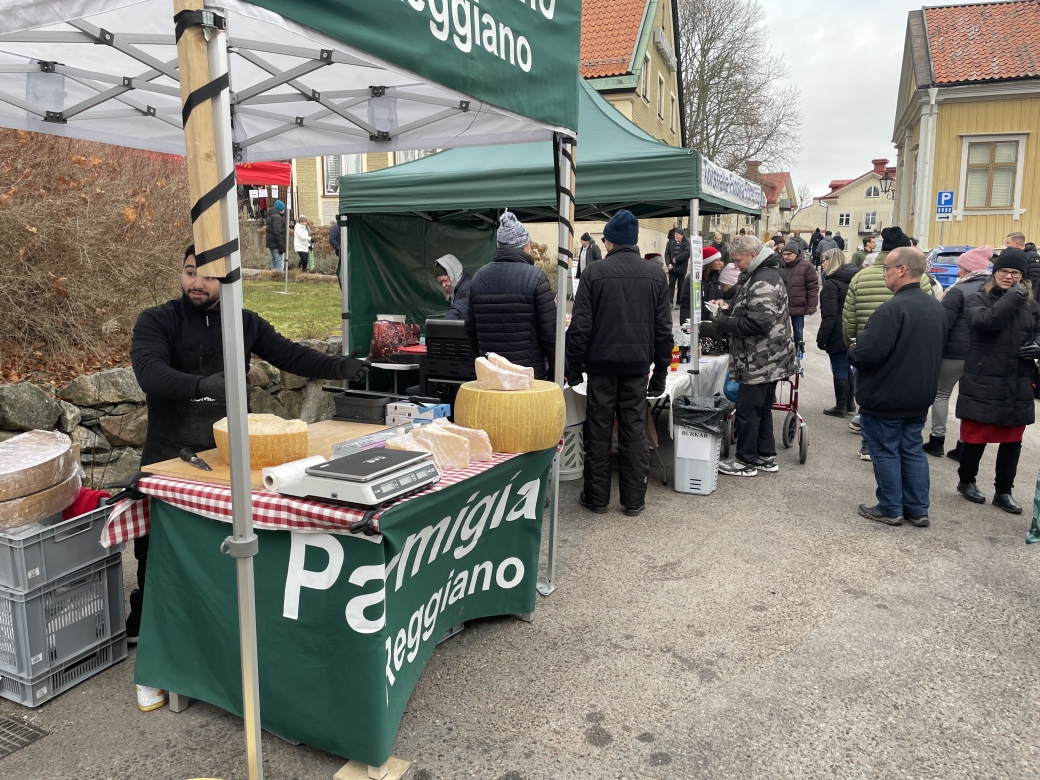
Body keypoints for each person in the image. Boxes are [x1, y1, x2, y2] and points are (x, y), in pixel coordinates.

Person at [128, 245, 370, 705]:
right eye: (188, 273)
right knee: (158, 554)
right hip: (170, 453)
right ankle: (156, 659)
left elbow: (292, 357)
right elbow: (150, 373)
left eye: (207, 275)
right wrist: (202, 385)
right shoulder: (156, 320)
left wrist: (340, 366)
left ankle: (217, 649)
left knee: (219, 553)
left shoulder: (244, 321)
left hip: (229, 455)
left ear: (230, 280)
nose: (195, 282)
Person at [566, 209, 672, 516]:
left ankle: (597, 498)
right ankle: (634, 500)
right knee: (633, 430)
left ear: (609, 240)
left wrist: (573, 369)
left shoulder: (594, 273)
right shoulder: (654, 274)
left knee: (598, 431)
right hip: (637, 366)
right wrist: (660, 373)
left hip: (601, 365)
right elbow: (664, 330)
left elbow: (580, 327)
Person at [848, 246, 947, 526]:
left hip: (886, 397)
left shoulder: (891, 309)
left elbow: (867, 355)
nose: (884, 275)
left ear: (902, 270)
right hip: (918, 396)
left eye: (887, 269)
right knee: (912, 450)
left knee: (886, 451)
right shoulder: (935, 307)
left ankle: (891, 507)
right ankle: (917, 509)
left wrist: (854, 351)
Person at [953, 248, 1040, 514]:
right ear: (994, 273)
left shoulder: (1032, 305)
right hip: (984, 378)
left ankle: (1004, 491)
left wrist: (1038, 345)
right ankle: (966, 481)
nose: (1009, 276)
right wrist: (1013, 297)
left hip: (1017, 380)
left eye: (1015, 273)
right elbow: (984, 323)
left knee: (1012, 441)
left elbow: (1038, 331)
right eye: (1004, 271)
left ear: (1023, 277)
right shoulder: (978, 298)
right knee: (976, 437)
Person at [711, 236, 798, 477]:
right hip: (768, 358)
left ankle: (745, 461)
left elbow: (759, 323)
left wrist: (725, 322)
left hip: (760, 359)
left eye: (738, 260)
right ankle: (766, 456)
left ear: (752, 254)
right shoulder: (764, 274)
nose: (735, 265)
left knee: (748, 409)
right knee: (761, 408)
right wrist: (731, 309)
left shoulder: (763, 278)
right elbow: (757, 312)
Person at [842, 226, 931, 460]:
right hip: (909, 354)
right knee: (908, 439)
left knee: (871, 397)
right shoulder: (918, 279)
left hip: (865, 345)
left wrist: (851, 343)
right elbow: (928, 313)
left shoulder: (862, 275)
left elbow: (849, 316)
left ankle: (867, 445)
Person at [465, 211, 556, 379]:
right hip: (527, 375)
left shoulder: (478, 277)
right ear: (524, 246)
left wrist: (480, 361)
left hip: (491, 376)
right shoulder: (536, 277)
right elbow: (550, 333)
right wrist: (555, 370)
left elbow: (471, 329)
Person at [924, 245, 992, 458]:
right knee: (967, 398)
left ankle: (937, 440)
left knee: (941, 394)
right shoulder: (996, 291)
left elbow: (943, 324)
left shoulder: (958, 290)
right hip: (981, 354)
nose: (958, 271)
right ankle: (964, 445)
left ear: (968, 269)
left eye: (961, 267)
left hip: (954, 353)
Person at [817, 248, 859, 417]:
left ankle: (841, 405)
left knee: (839, 367)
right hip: (851, 326)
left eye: (824, 260)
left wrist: (822, 337)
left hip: (837, 330)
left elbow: (829, 315)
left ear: (831, 261)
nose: (822, 263)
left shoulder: (831, 284)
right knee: (846, 366)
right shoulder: (854, 279)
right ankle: (849, 403)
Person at [781, 240, 819, 347]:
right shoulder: (780, 266)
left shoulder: (806, 266)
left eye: (789, 254)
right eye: (784, 254)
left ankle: (798, 354)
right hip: (782, 307)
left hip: (799, 306)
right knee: (781, 333)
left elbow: (813, 286)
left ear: (796, 254)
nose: (786, 257)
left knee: (798, 333)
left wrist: (812, 304)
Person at [679, 245, 722, 325]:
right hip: (698, 325)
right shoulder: (692, 279)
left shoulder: (719, 278)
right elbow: (685, 304)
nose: (720, 263)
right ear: (708, 262)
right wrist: (685, 325)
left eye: (720, 260)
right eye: (717, 260)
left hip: (715, 325)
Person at [434, 254, 473, 321]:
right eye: (441, 283)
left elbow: (459, 309)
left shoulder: (467, 287)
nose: (443, 285)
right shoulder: (457, 289)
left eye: (445, 280)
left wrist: (442, 326)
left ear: (453, 274)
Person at [665, 226, 691, 309]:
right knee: (671, 285)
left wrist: (677, 258)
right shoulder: (671, 243)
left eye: (677, 234)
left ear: (681, 235)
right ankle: (670, 301)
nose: (675, 236)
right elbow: (667, 254)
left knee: (681, 286)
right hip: (672, 268)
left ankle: (679, 303)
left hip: (681, 268)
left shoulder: (687, 243)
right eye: (675, 234)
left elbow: (687, 253)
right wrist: (668, 263)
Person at [265, 199, 287, 271]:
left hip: (271, 243)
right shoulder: (278, 217)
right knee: (279, 261)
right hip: (276, 244)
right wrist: (281, 246)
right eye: (283, 209)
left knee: (274, 260)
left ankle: (273, 275)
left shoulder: (271, 216)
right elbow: (278, 232)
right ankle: (279, 276)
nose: (284, 211)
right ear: (281, 209)